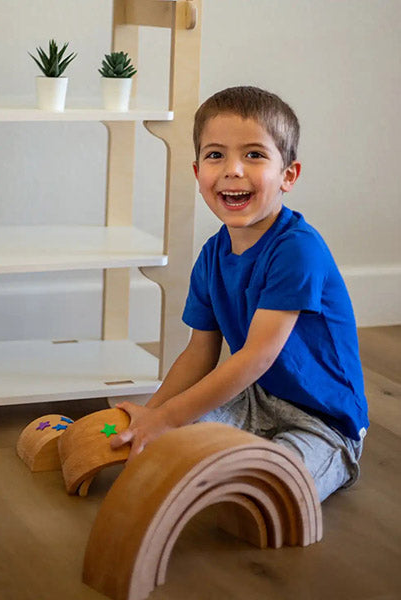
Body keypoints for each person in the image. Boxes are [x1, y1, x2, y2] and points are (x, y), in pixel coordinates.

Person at [111, 86, 369, 502]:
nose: (233, 169)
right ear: (198, 174)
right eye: (216, 155)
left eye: (254, 154)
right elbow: (199, 353)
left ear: (289, 175)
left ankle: (310, 462)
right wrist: (153, 415)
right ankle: (231, 459)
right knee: (172, 447)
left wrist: (168, 419)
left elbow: (255, 356)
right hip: (254, 398)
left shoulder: (298, 249)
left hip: (322, 419)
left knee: (270, 488)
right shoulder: (212, 255)